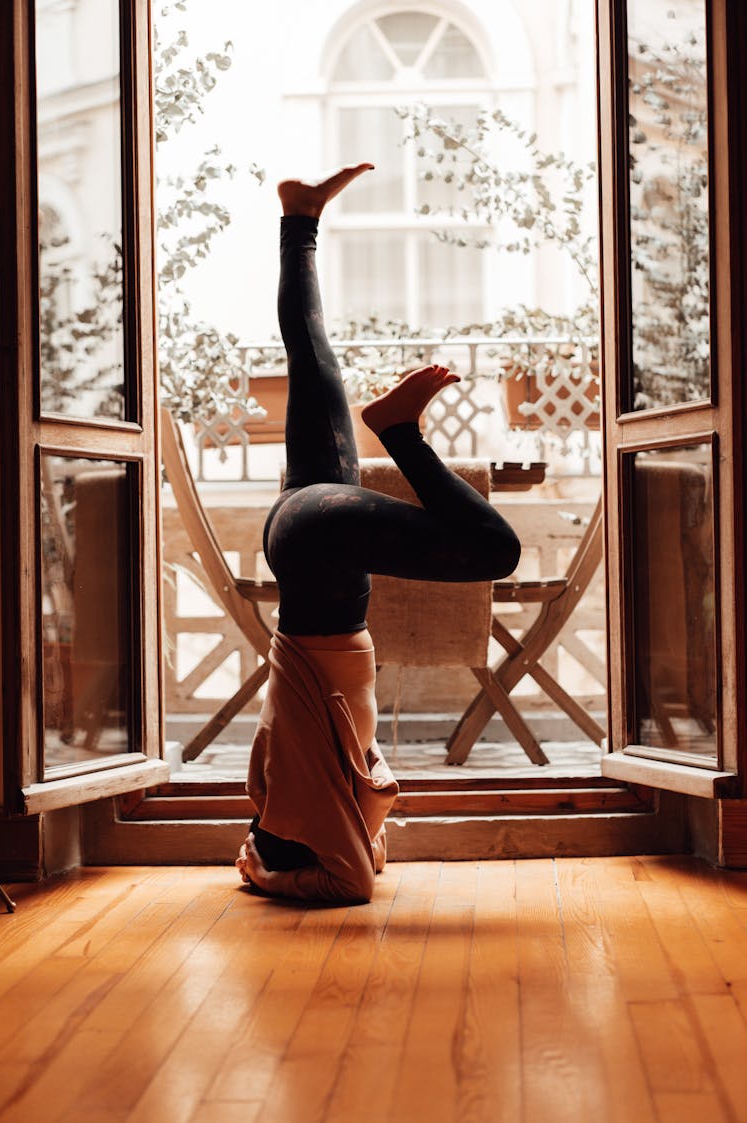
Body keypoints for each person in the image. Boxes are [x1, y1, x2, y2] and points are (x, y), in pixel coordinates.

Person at [236, 164, 521, 903]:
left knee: (496, 550)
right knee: (315, 361)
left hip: (320, 549)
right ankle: (298, 219)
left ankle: (397, 432)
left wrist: (260, 866)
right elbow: (371, 835)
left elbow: (354, 883)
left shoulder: (306, 806)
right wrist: (260, 849)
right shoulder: (298, 782)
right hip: (305, 533)